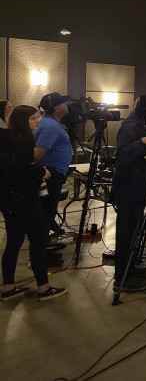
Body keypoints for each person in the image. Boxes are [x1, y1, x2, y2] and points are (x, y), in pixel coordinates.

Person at [1, 105, 66, 301]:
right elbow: (23, 170)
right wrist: (42, 173)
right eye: (33, 118)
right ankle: (44, 288)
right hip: (26, 200)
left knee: (13, 242)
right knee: (38, 243)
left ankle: (8, 287)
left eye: (37, 117)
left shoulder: (7, 138)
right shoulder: (24, 140)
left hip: (8, 200)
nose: (37, 121)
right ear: (23, 121)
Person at [112, 98, 146, 289]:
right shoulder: (131, 127)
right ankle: (122, 277)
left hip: (137, 184)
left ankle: (129, 267)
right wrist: (142, 141)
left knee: (133, 230)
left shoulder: (141, 124)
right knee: (126, 231)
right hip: (128, 186)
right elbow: (122, 156)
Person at [34, 92, 73, 239]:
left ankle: (43, 246)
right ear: (57, 108)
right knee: (46, 213)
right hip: (51, 175)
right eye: (64, 103)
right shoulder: (51, 126)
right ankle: (41, 254)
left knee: (47, 212)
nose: (67, 104)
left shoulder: (50, 122)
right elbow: (37, 155)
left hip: (53, 173)